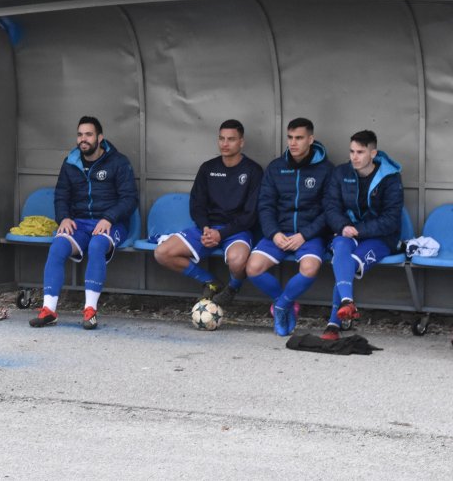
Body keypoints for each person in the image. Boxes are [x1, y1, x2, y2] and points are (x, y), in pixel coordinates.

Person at [29, 116, 138, 330]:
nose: (83, 139)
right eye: (80, 135)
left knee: (97, 245)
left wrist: (109, 218)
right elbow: (61, 195)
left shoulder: (118, 161)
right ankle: (49, 310)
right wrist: (64, 218)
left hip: (111, 223)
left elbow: (130, 199)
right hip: (79, 223)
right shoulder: (71, 162)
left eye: (88, 134)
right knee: (58, 246)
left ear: (100, 137)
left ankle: (90, 311)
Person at [153, 120, 264, 306]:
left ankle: (232, 288)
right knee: (162, 253)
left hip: (236, 230)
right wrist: (205, 228)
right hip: (207, 229)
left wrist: (221, 233)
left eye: (231, 139)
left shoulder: (253, 171)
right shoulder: (208, 168)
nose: (225, 144)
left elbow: (250, 215)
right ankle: (210, 282)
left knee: (238, 261)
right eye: (221, 139)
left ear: (241, 142)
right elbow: (197, 204)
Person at [245, 118, 334, 336]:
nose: (293, 143)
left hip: (309, 235)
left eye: (299, 138)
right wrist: (274, 233)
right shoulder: (276, 167)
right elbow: (265, 205)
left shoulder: (326, 170)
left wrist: (305, 235)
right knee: (252, 268)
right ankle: (281, 301)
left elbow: (330, 210)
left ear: (310, 139)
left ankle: (283, 306)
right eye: (290, 137)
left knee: (310, 268)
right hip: (279, 232)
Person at [321, 130, 403, 341]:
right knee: (340, 246)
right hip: (349, 231)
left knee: (350, 262)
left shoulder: (390, 178)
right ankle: (347, 302)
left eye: (360, 152)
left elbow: (391, 219)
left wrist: (359, 230)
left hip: (382, 237)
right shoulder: (341, 173)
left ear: (373, 153)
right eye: (351, 151)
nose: (354, 157)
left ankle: (333, 324)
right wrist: (343, 226)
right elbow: (330, 207)